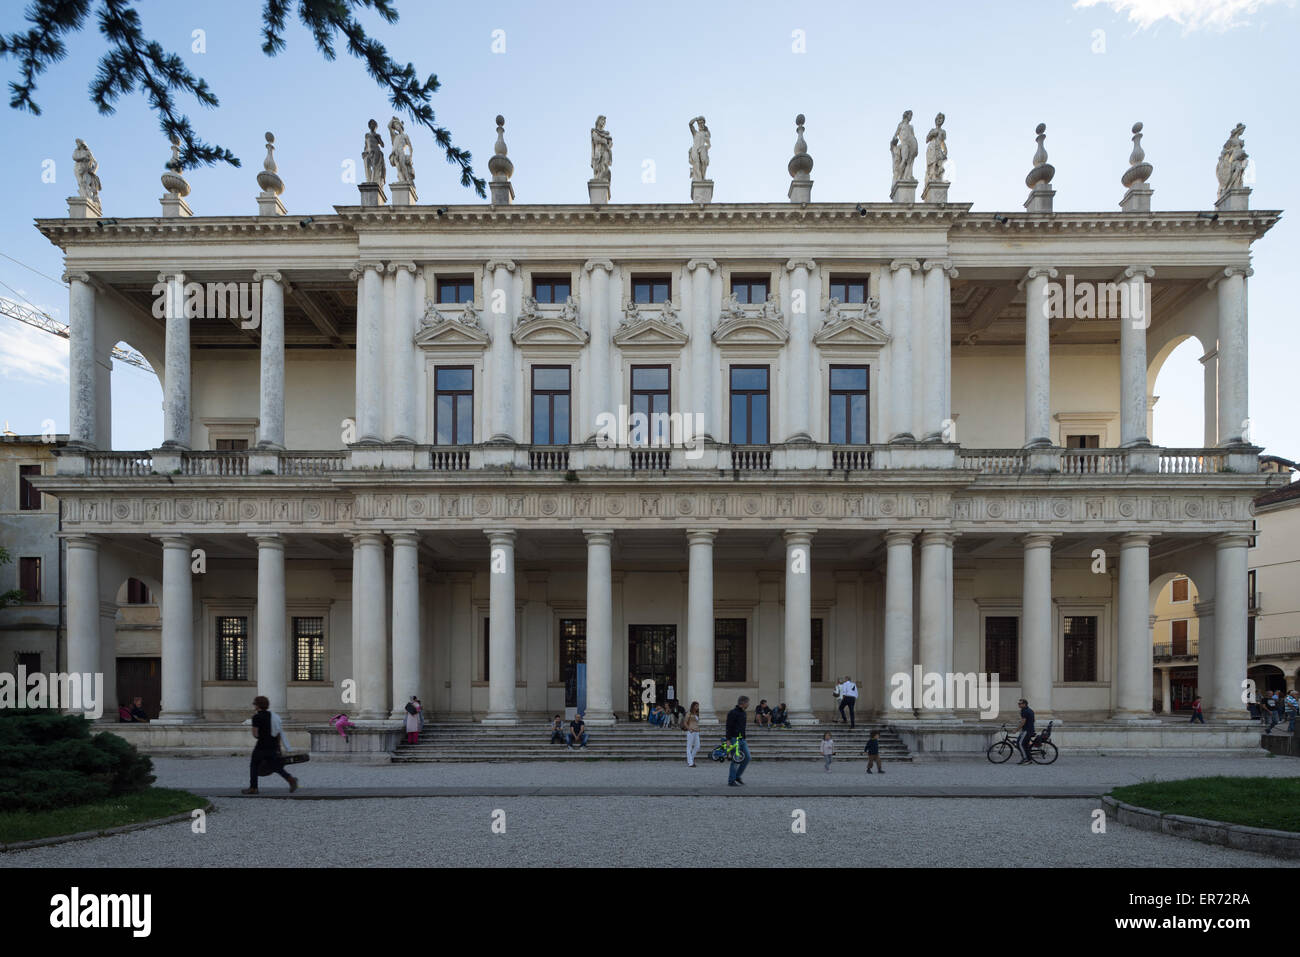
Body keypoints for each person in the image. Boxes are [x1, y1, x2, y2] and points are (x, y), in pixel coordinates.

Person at [241, 695, 298, 794]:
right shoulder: (273, 716)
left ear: (258, 705)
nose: (254, 705)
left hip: (261, 745)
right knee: (275, 766)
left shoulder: (256, 717)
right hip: (273, 745)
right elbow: (278, 732)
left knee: (254, 765)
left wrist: (260, 735)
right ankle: (290, 779)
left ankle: (253, 788)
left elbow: (255, 734)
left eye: (255, 703)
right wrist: (278, 746)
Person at [725, 695, 750, 786]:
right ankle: (731, 780)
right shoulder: (732, 713)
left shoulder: (744, 713)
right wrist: (728, 739)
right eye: (747, 703)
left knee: (747, 757)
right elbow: (728, 726)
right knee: (736, 760)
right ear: (743, 703)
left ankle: (737, 776)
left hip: (742, 739)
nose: (748, 704)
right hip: (734, 739)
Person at [1015, 698, 1036, 765]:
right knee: (1024, 744)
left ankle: (1026, 759)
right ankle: (1028, 758)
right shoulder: (1029, 710)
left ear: (1024, 704)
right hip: (1029, 730)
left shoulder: (1025, 711)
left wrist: (1016, 729)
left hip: (1027, 730)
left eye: (1020, 703)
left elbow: (1023, 722)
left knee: (1020, 744)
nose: (1019, 705)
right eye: (1018, 703)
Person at [684, 701, 701, 767]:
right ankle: (690, 762)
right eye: (696, 706)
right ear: (693, 706)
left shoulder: (697, 713)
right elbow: (685, 722)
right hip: (691, 731)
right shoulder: (689, 713)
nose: (697, 707)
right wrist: (689, 729)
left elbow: (697, 722)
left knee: (697, 746)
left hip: (696, 731)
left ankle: (691, 759)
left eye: (698, 706)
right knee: (689, 747)